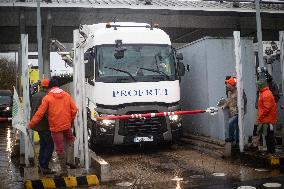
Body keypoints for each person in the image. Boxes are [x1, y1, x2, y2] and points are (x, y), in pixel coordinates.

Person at [28, 77, 78, 176]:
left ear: (49, 87)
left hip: (55, 127)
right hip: (66, 125)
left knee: (59, 148)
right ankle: (70, 160)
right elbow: (74, 110)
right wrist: (70, 121)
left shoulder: (48, 98)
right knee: (71, 140)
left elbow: (39, 113)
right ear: (58, 86)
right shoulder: (66, 95)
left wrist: (30, 124)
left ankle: (64, 171)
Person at [30, 79, 54, 175]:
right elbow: (47, 112)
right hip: (44, 125)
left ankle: (41, 165)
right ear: (49, 87)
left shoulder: (35, 95)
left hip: (37, 125)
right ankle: (44, 166)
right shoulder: (47, 97)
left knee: (43, 144)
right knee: (49, 146)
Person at [223, 77, 247, 144]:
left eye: (228, 84)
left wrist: (240, 110)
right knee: (237, 128)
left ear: (231, 85)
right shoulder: (230, 92)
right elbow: (229, 101)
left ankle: (231, 138)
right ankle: (237, 143)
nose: (227, 86)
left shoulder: (239, 92)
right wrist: (224, 106)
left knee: (230, 123)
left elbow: (244, 101)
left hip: (238, 113)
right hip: (233, 112)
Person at [256, 79, 277, 155]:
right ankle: (270, 151)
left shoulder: (265, 94)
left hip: (268, 120)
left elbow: (266, 108)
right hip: (266, 119)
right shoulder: (264, 93)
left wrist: (260, 117)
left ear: (261, 85)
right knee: (268, 136)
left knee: (269, 136)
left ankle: (272, 152)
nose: (256, 87)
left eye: (257, 85)